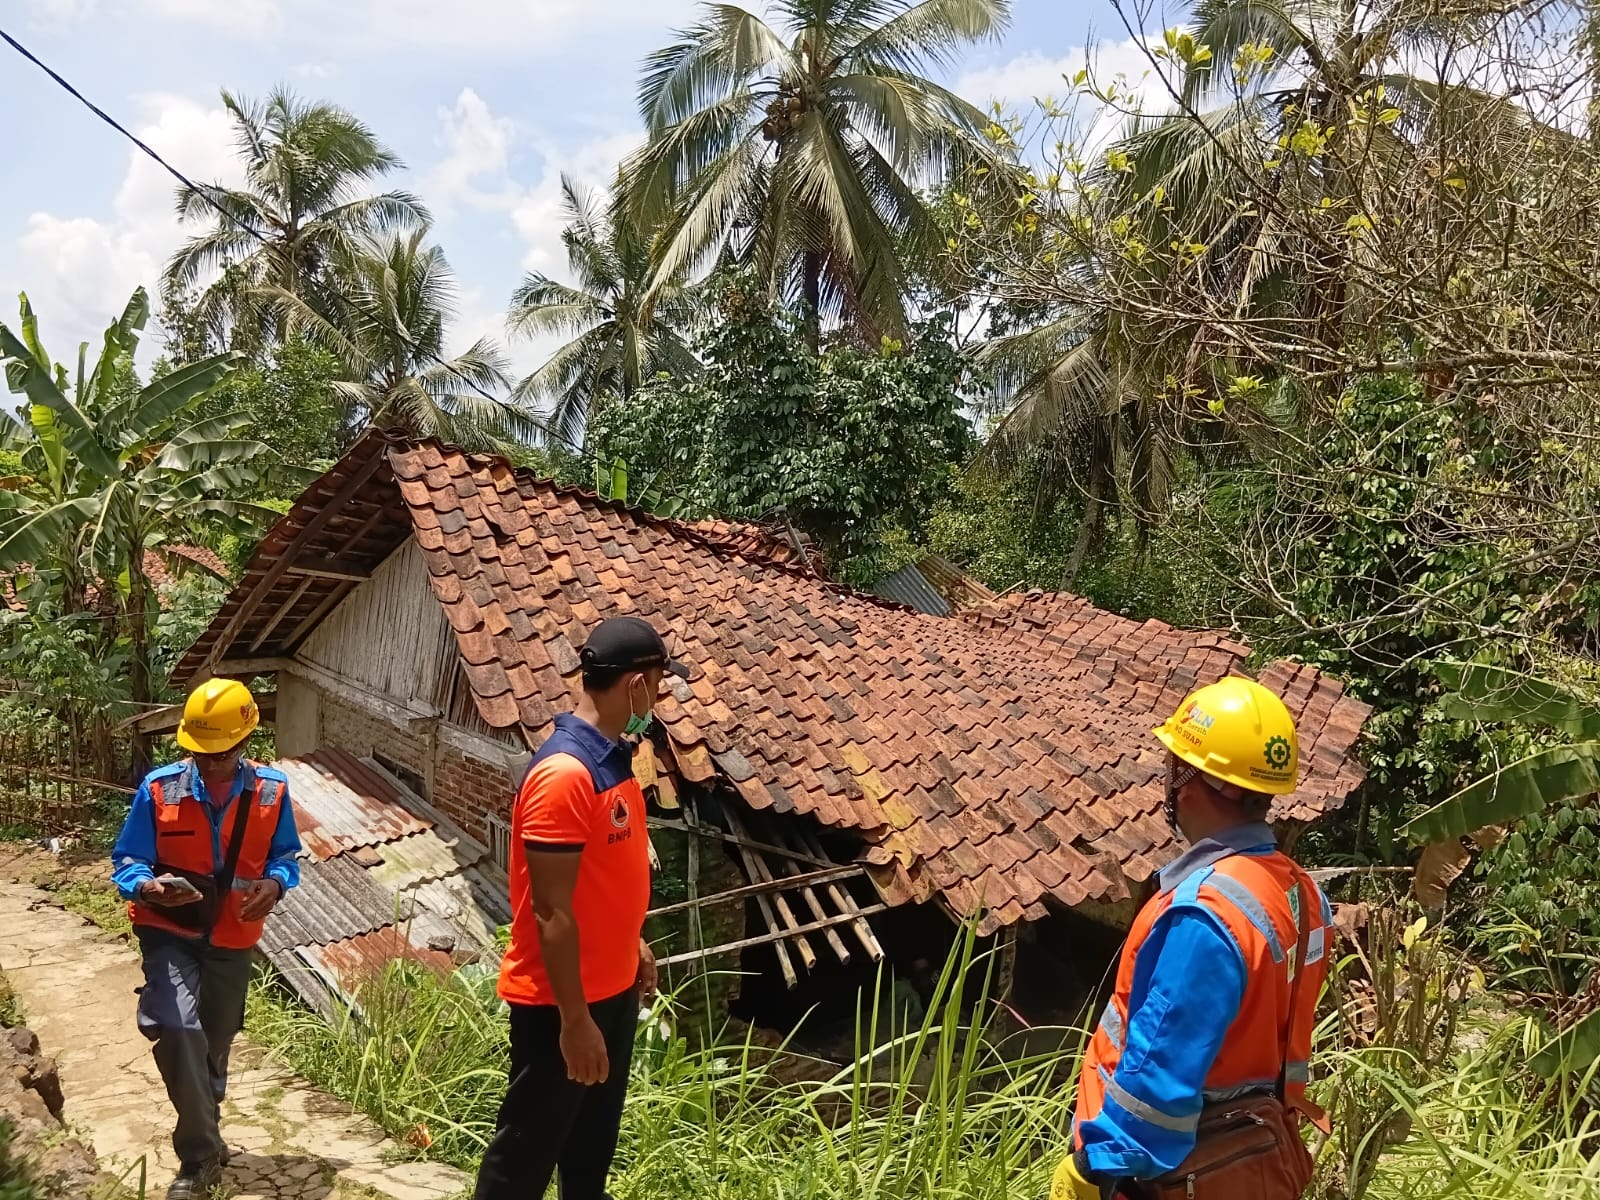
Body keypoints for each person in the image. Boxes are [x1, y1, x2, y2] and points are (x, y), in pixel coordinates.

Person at [1052, 677, 1333, 1200]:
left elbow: (1159, 1075)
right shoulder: (1302, 894)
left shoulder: (1207, 912)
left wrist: (1094, 1171)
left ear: (1187, 777)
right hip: (1257, 1155)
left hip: (1167, 1177)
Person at [473, 616, 686, 1200]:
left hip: (611, 988)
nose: (662, 696)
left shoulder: (614, 758)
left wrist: (630, 944)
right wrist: (573, 1021)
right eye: (660, 683)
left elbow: (602, 878)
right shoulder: (565, 775)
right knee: (524, 1156)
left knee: (589, 1152)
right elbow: (550, 911)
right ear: (637, 685)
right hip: (562, 1003)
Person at [110, 678, 300, 1200]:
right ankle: (197, 1159)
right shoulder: (159, 789)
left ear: (245, 744)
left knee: (214, 1044)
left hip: (235, 934)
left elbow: (285, 856)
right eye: (202, 755)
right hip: (168, 930)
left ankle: (206, 1128)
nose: (212, 765)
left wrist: (277, 882)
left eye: (223, 754)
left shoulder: (271, 790)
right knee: (176, 1026)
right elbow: (127, 858)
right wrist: (146, 885)